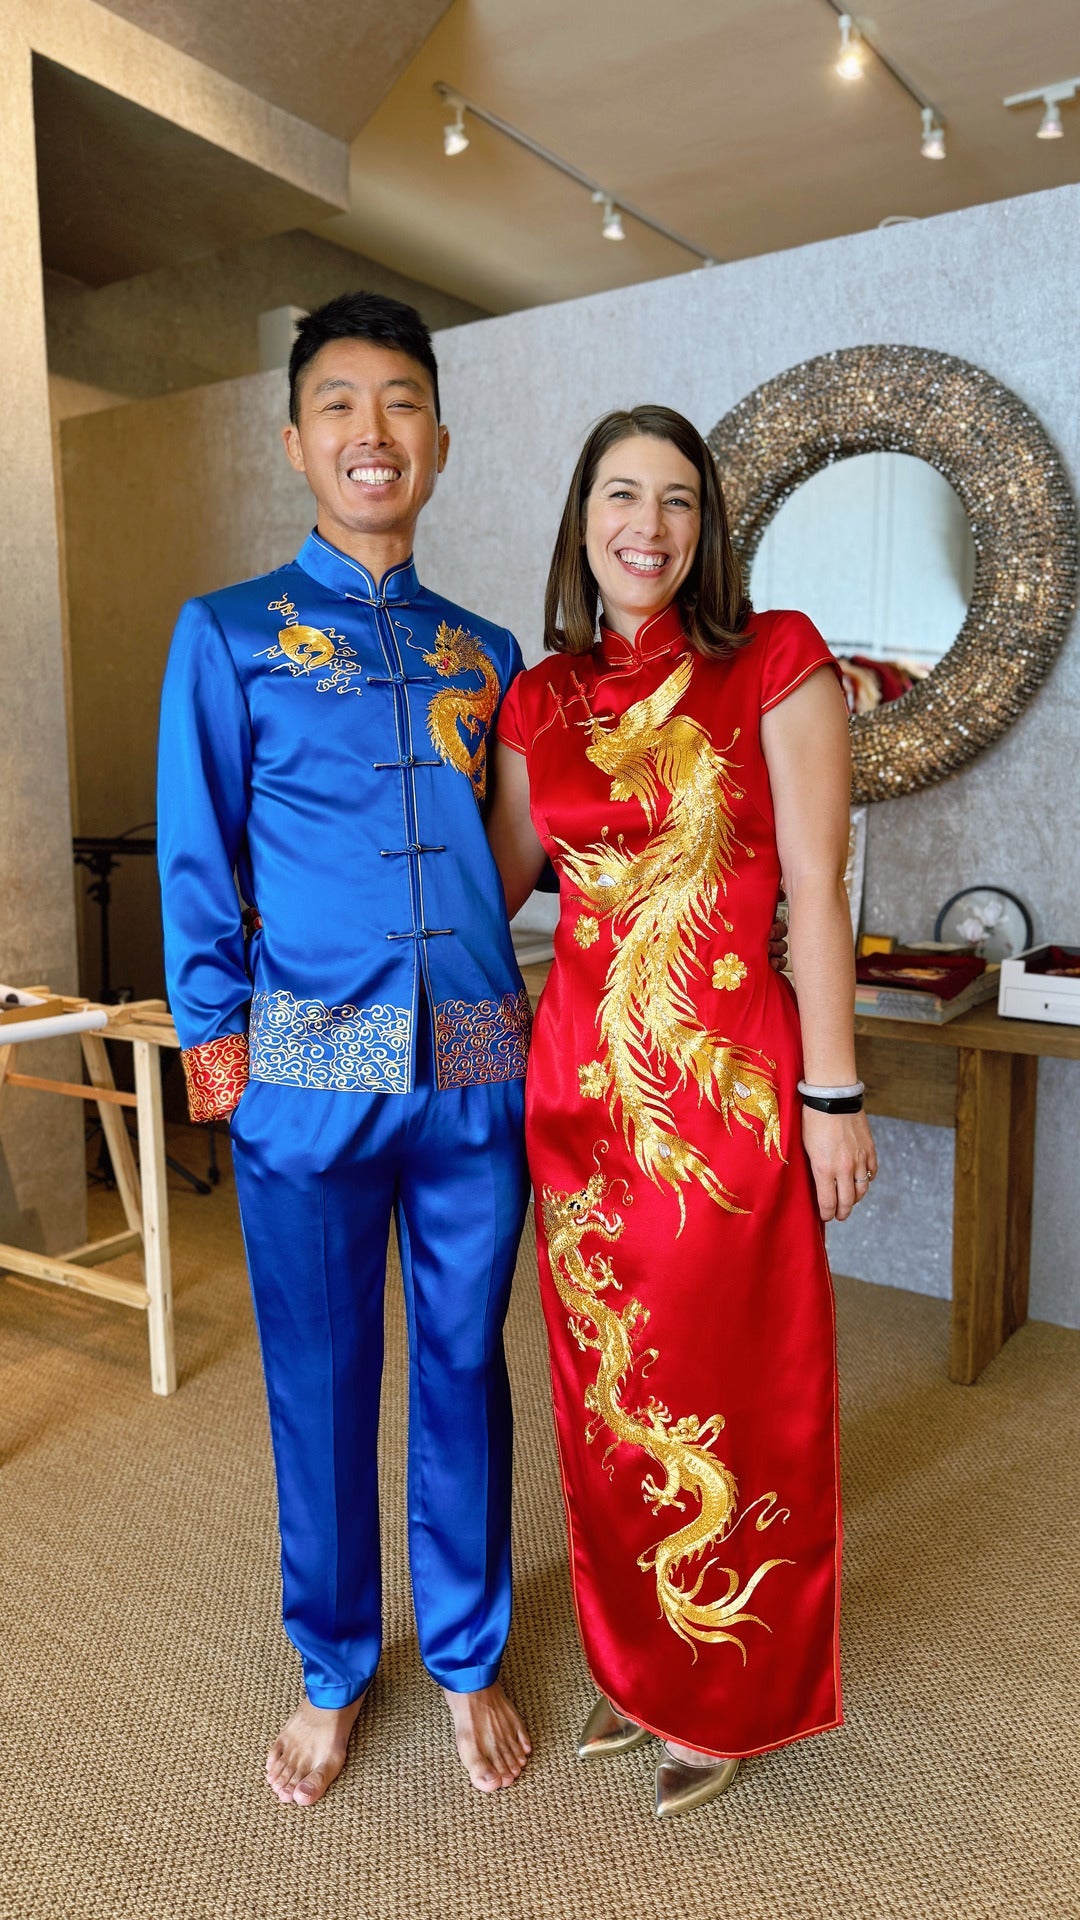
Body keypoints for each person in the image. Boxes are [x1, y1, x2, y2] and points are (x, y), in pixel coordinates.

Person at [157, 292, 535, 1805]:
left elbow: (519, 850)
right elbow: (198, 864)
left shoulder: (489, 649)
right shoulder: (229, 634)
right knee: (319, 1383)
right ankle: (331, 1666)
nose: (371, 432)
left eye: (399, 405)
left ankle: (467, 1650)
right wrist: (222, 1071)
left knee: (464, 1368)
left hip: (476, 1076)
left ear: (439, 441)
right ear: (298, 437)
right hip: (304, 1085)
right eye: (340, 404)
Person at [486, 405, 877, 1819]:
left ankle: (734, 1689)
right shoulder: (541, 699)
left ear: (707, 531)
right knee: (607, 1396)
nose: (646, 526)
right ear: (582, 517)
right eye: (619, 496)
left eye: (676, 503)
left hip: (720, 1098)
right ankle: (643, 1666)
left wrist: (831, 1092)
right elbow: (498, 885)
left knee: (731, 1381)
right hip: (578, 1103)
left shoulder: (774, 661)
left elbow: (819, 893)